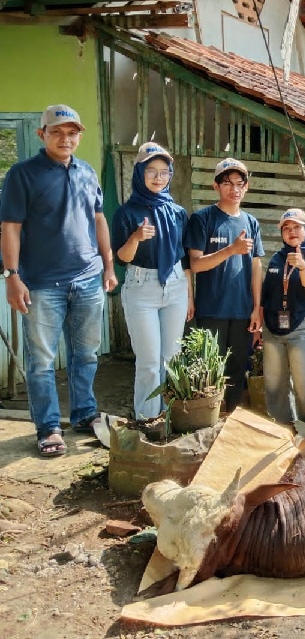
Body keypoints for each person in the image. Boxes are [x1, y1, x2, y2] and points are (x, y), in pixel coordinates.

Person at [0, 104, 118, 458]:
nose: (65, 139)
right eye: (57, 132)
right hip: (41, 283)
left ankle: (83, 414)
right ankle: (49, 426)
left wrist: (108, 266)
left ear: (79, 136)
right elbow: (10, 228)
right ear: (42, 135)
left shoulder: (87, 172)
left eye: (72, 132)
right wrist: (12, 276)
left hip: (87, 279)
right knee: (41, 361)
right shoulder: (22, 175)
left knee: (86, 354)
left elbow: (99, 220)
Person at [112, 142, 192, 420]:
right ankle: (147, 419)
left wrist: (189, 295)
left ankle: (169, 418)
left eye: (164, 172)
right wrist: (135, 237)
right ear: (139, 173)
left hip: (175, 285)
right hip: (141, 286)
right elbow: (121, 258)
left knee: (170, 358)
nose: (158, 177)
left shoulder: (178, 212)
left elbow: (184, 259)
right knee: (148, 362)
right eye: (151, 171)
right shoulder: (127, 212)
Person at [185, 158, 264, 413]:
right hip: (211, 308)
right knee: (210, 368)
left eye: (240, 183)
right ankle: (210, 419)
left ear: (246, 187)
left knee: (238, 368)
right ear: (215, 186)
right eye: (227, 183)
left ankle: (231, 419)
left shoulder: (251, 222)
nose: (234, 189)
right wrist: (231, 250)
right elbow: (195, 265)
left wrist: (257, 307)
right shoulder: (202, 219)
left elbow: (255, 266)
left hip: (243, 310)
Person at [260, 208, 305, 434]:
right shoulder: (276, 258)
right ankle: (283, 434)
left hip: (302, 326)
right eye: (286, 229)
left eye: (296, 227)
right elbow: (266, 295)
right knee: (274, 387)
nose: (291, 232)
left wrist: (302, 265)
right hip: (272, 328)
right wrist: (259, 326)